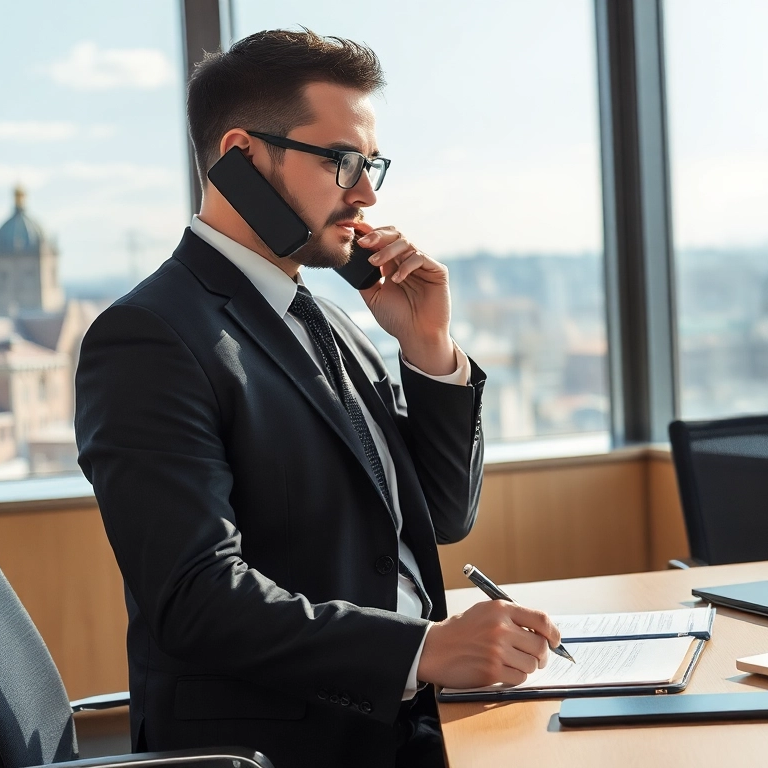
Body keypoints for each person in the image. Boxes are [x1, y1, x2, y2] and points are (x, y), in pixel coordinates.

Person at [75, 28, 560, 768]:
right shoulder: (150, 337)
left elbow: (444, 516)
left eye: (371, 166)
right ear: (240, 156)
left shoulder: (326, 315)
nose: (365, 193)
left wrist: (428, 349)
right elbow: (195, 599)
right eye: (341, 162)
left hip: (401, 713)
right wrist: (421, 650)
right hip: (286, 741)